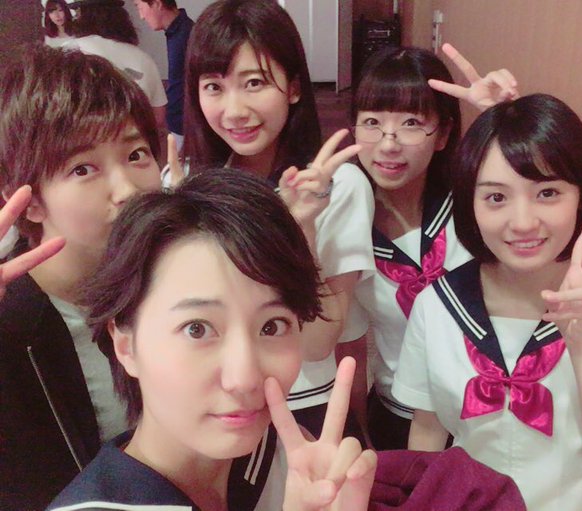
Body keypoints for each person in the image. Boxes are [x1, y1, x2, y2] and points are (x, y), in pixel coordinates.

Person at [392, 94, 582, 510]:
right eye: (496, 197)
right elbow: (428, 431)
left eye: (547, 193)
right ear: (470, 205)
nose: (523, 222)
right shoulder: (438, 306)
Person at [350, 44, 582, 450]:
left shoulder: (483, 200)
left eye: (412, 122)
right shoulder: (347, 221)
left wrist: (510, 117)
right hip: (403, 412)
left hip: (497, 415)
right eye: (372, 122)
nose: (389, 143)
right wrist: (357, 433)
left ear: (444, 134)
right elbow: (350, 345)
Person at [47, 168, 377, 511]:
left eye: (271, 327)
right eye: (197, 329)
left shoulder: (292, 465)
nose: (244, 380)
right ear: (126, 346)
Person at [181, 0, 375, 440]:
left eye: (254, 83)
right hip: (221, 405)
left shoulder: (337, 187)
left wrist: (301, 225)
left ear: (293, 88)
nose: (234, 110)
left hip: (303, 405)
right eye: (214, 87)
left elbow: (318, 343)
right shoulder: (190, 184)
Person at [0, 44, 162, 510]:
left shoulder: (167, 280)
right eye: (83, 168)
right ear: (29, 200)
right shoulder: (11, 325)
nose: (128, 190)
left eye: (136, 154)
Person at [67, 0, 168, 130]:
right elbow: (158, 116)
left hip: (81, 138)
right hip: (134, 138)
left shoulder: (67, 53)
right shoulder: (143, 59)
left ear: (82, 18)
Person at [133, 0, 194, 150]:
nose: (141, 16)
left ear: (157, 4)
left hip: (185, 124)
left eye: (140, 7)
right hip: (179, 122)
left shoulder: (187, 34)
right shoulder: (176, 31)